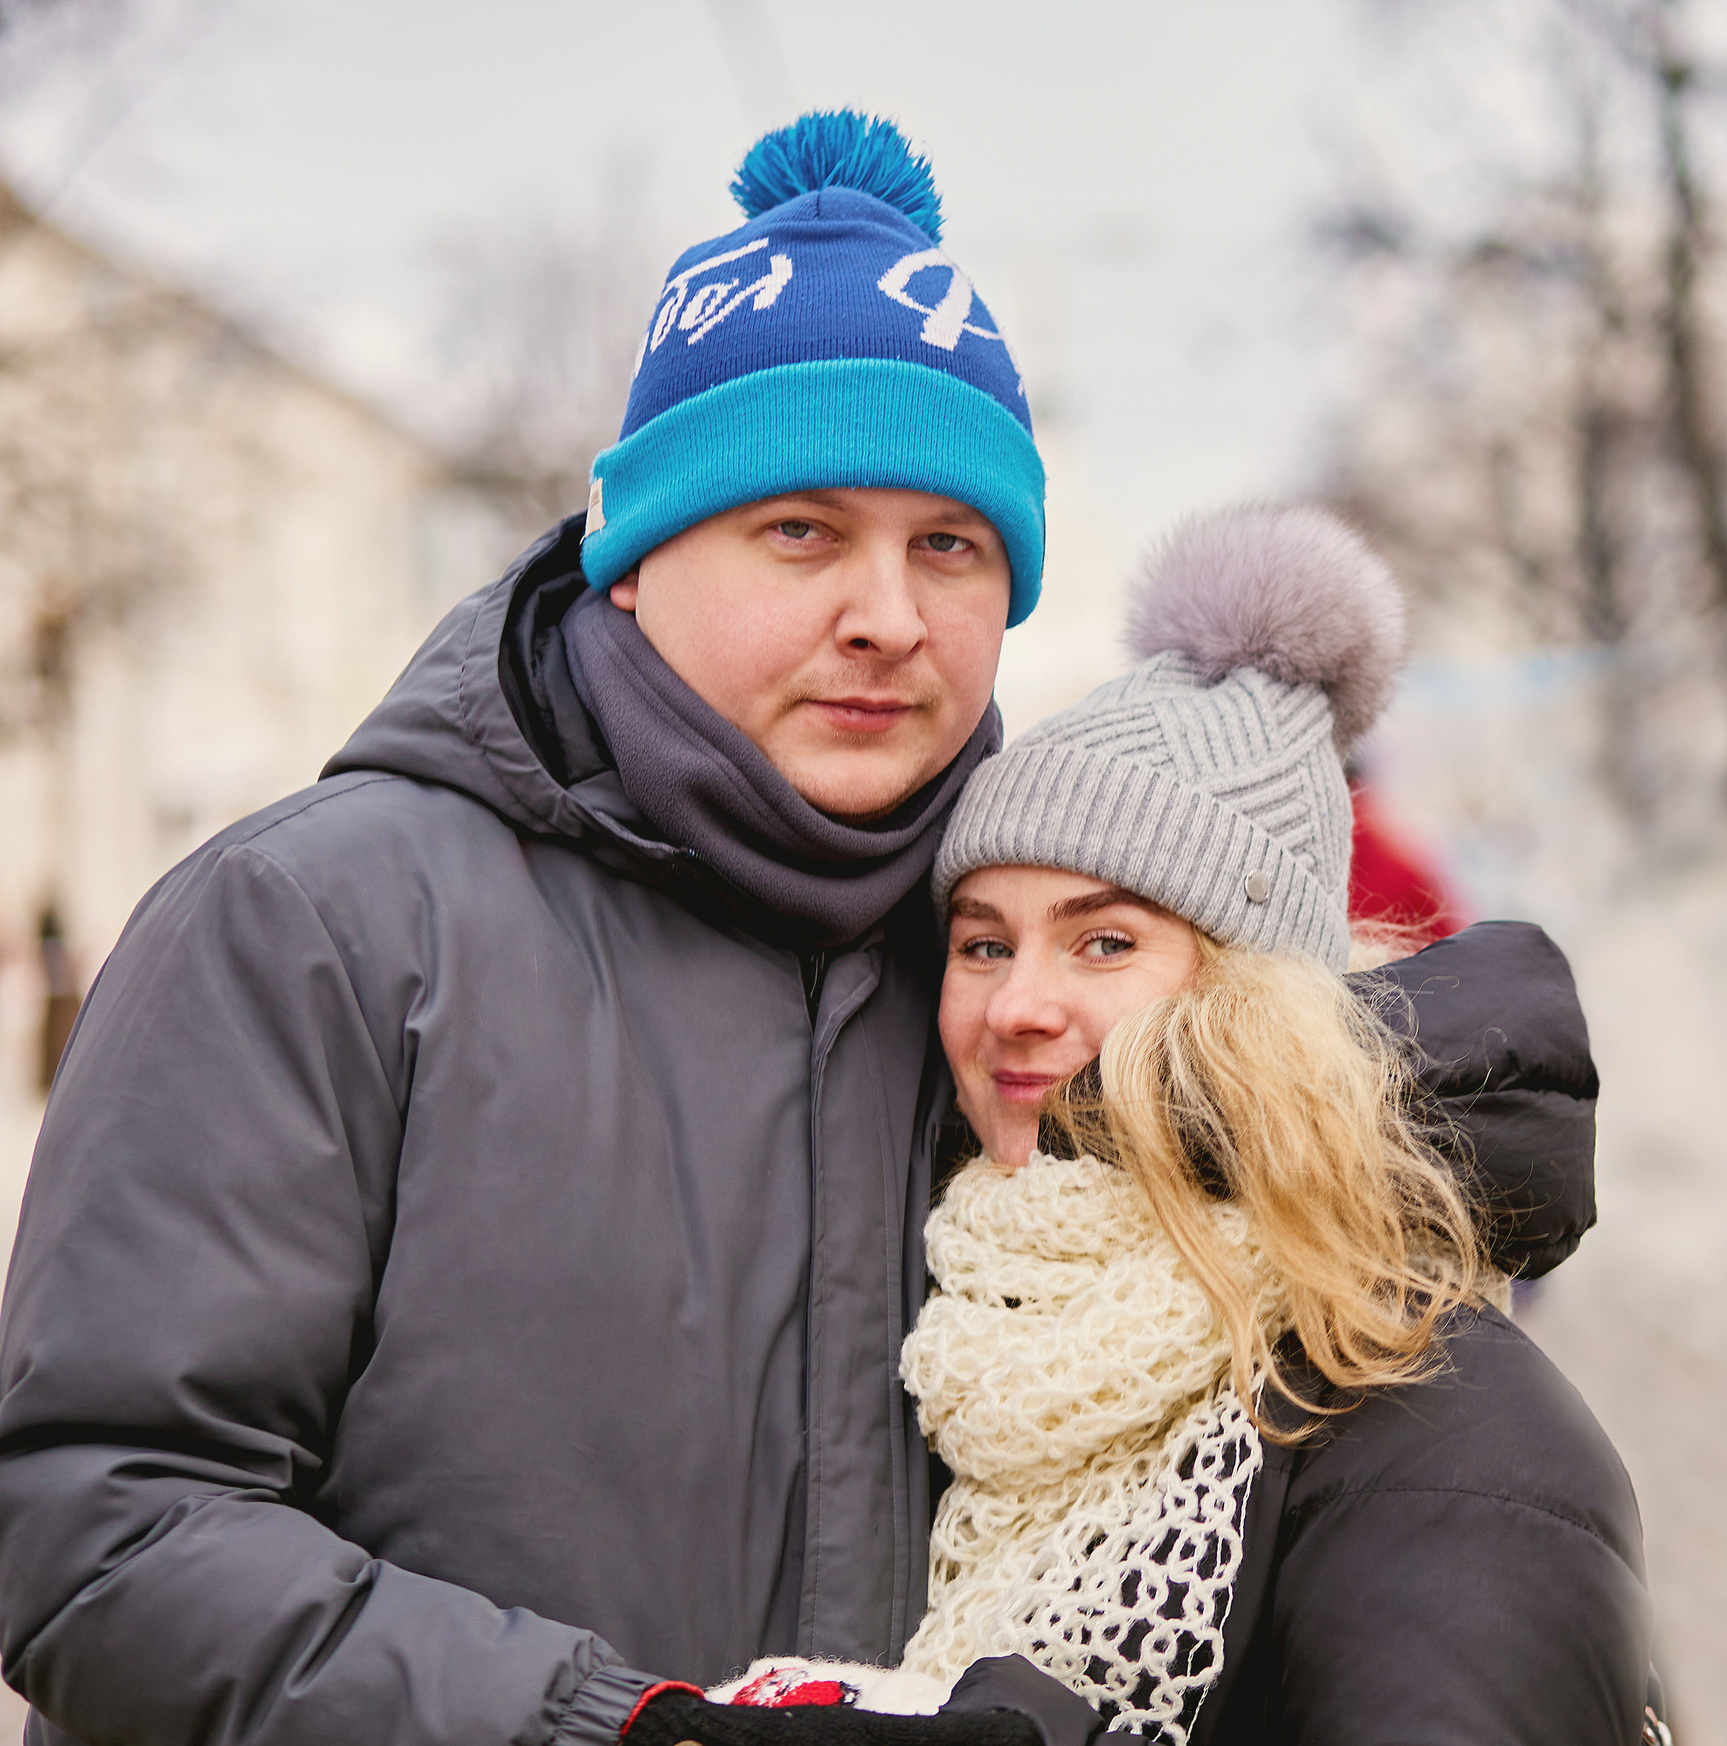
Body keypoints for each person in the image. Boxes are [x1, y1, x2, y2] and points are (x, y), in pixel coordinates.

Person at [0, 118, 1599, 1746]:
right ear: (633, 557)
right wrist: (612, 1730)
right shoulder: (316, 928)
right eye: (802, 531)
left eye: (951, 546)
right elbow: (95, 1527)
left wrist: (1382, 1099)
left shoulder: (999, 968)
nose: (888, 616)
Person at [616, 507, 1648, 1746]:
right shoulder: (948, 1357)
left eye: (1106, 943)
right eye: (982, 942)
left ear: (1257, 998)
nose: (1018, 1007)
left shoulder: (1442, 1430)